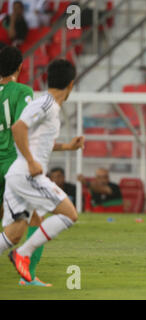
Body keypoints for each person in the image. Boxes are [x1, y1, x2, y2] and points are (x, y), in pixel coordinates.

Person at [0, 59, 83, 284]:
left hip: (18, 174)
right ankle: (23, 254)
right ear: (71, 85)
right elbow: (18, 128)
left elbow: (34, 139)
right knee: (69, 214)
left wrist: (68, 147)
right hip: (27, 174)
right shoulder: (46, 104)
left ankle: (21, 253)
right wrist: (31, 161)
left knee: (14, 233)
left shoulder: (47, 106)